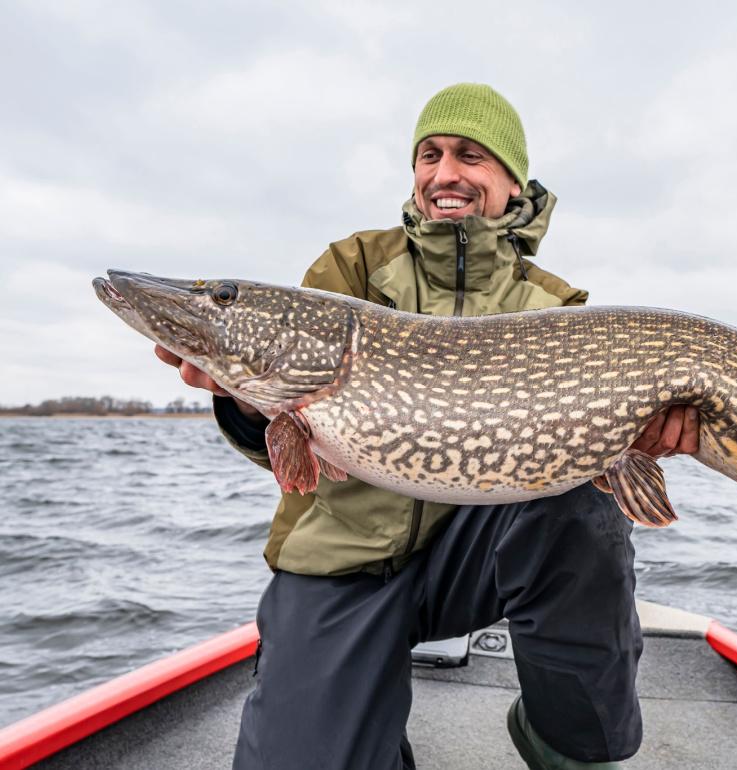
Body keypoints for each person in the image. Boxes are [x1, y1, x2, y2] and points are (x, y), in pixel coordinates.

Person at [155, 83, 699, 770]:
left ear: (511, 182)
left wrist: (637, 435)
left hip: (477, 555)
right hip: (344, 561)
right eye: (429, 155)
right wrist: (244, 400)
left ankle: (565, 735)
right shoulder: (350, 269)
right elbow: (289, 442)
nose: (445, 174)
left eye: (470, 156)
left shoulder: (554, 305)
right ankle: (361, 717)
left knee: (585, 507)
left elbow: (604, 447)